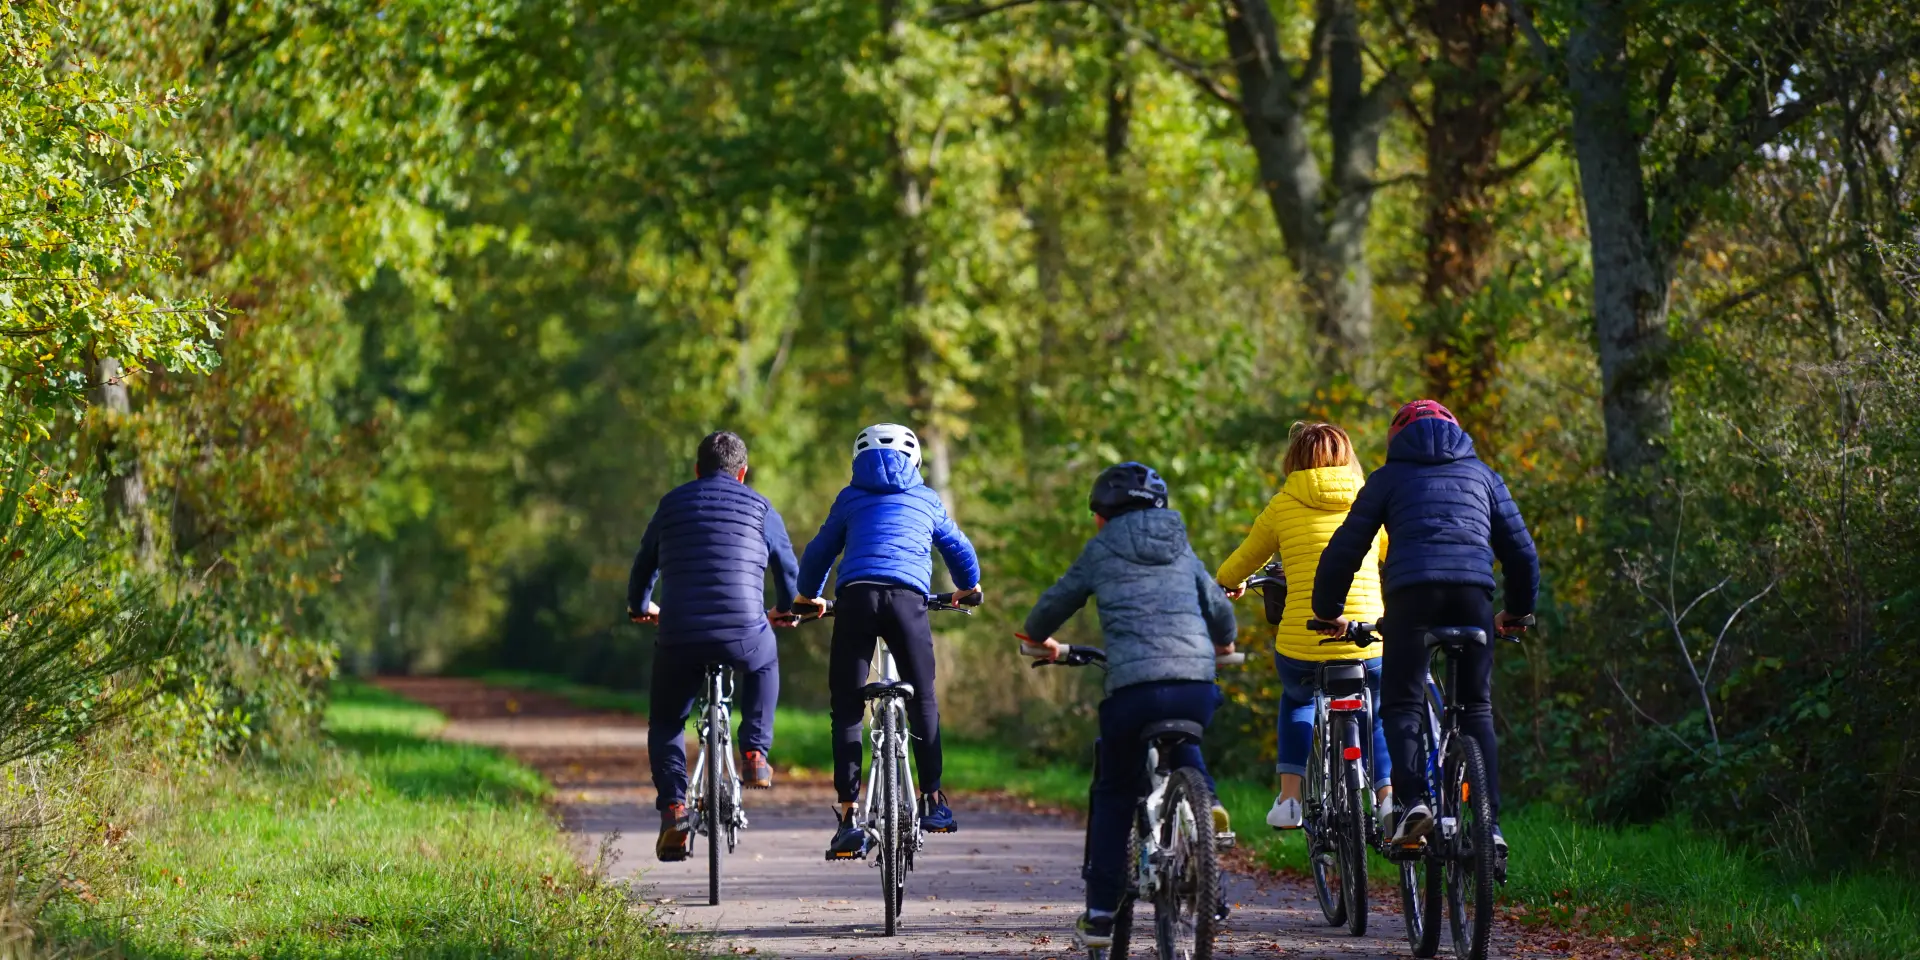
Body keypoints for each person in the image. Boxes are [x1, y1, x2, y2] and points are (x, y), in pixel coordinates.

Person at [1020, 461, 1238, 949]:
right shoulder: (1180, 544)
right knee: (1186, 744)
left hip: (1134, 689)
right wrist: (1224, 645)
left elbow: (1059, 599)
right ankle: (1211, 822)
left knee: (1116, 790)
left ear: (1102, 516)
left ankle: (1099, 914)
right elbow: (1219, 608)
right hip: (1193, 683)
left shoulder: (1101, 549)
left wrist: (1037, 636)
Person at [1311, 400, 1538, 855]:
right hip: (1473, 596)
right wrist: (1514, 612)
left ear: (1396, 440)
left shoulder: (1388, 479)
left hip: (1411, 597)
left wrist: (1328, 609)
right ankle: (1489, 825)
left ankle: (1414, 802)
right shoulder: (1484, 476)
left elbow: (1345, 549)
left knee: (1402, 703)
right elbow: (1522, 554)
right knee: (1476, 708)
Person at [795, 422, 982, 858]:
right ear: (916, 459)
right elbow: (959, 548)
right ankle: (933, 800)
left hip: (856, 599)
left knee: (846, 705)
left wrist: (809, 597)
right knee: (923, 698)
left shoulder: (850, 498)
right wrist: (968, 587)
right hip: (907, 602)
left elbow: (820, 551)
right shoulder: (925, 498)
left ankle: (847, 816)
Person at [628, 430, 799, 863]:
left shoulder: (671, 504)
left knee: (667, 720)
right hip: (745, 630)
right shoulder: (761, 506)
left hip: (680, 632)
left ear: (696, 470)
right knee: (765, 661)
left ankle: (673, 808)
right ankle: (755, 752)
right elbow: (787, 569)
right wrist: (785, 608)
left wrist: (639, 605)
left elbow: (644, 563)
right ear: (742, 473)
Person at [1215, 422, 1392, 831]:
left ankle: (1290, 800)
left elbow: (1239, 562)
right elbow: (1391, 552)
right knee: (1380, 710)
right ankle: (1387, 799)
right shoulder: (1368, 502)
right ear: (1348, 458)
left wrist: (1230, 581)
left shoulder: (1283, 504)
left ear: (1293, 460)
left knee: (1297, 699)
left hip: (1305, 642)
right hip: (1369, 639)